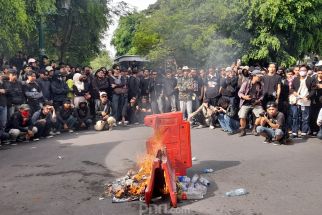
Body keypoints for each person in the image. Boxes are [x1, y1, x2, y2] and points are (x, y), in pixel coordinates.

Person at [290, 65, 317, 138]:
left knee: (305, 117)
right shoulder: (295, 79)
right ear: (298, 71)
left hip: (306, 101)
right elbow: (292, 88)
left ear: (307, 71)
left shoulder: (311, 79)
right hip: (297, 101)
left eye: (304, 70)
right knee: (295, 117)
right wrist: (294, 92)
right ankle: (294, 132)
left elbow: (314, 90)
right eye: (301, 70)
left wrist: (308, 97)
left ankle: (304, 132)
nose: (302, 71)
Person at [238, 69, 264, 137]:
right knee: (242, 116)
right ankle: (243, 130)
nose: (260, 77)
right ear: (254, 76)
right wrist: (244, 97)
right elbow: (239, 93)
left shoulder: (260, 84)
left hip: (256, 102)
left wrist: (258, 100)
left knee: (261, 115)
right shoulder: (246, 83)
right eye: (259, 76)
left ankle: (254, 128)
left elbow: (262, 95)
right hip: (246, 102)